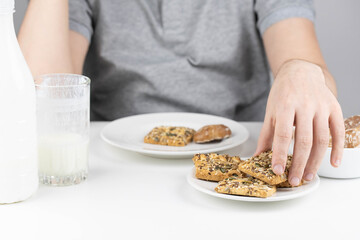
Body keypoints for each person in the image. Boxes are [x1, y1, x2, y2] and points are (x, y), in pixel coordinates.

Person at [18, 0, 345, 186]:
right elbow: (39, 103)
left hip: (238, 162)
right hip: (113, 172)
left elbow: (312, 73)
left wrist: (301, 71)